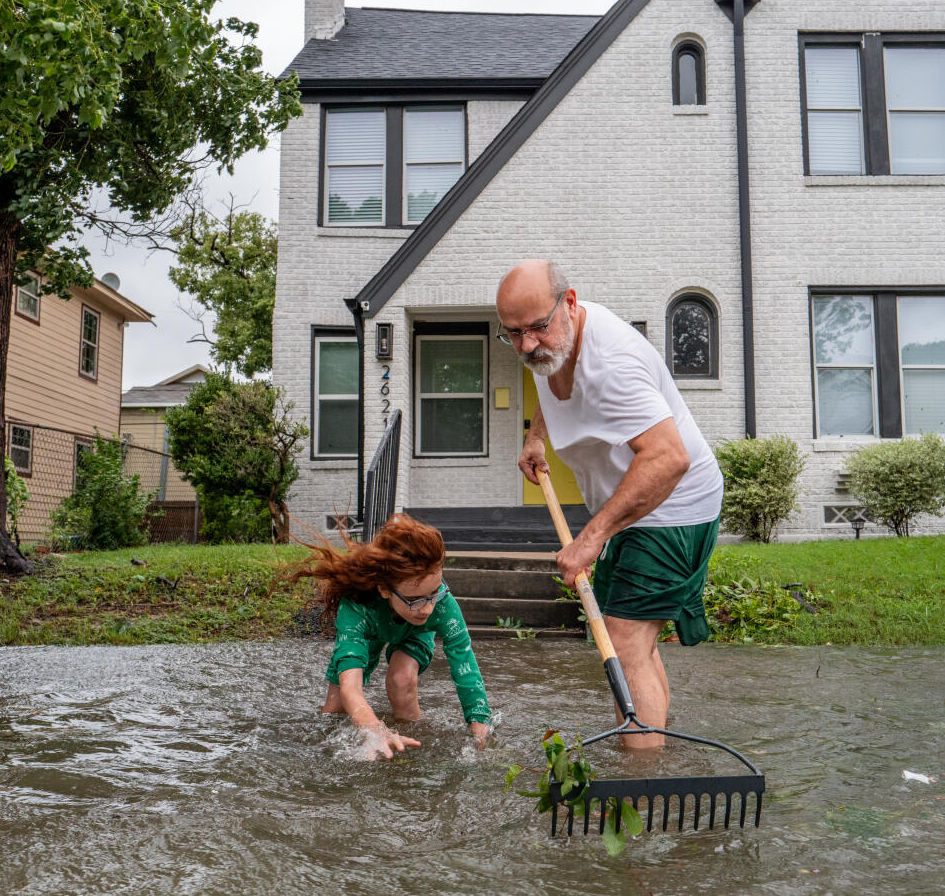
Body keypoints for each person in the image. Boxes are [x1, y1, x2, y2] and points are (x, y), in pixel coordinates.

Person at [496, 259, 723, 750]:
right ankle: (653, 755)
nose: (527, 344)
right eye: (512, 333)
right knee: (636, 645)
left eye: (536, 327)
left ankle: (640, 785)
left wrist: (590, 538)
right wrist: (538, 437)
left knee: (621, 643)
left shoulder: (613, 362)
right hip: (631, 508)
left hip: (673, 506)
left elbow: (668, 458)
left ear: (570, 303)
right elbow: (547, 379)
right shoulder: (549, 344)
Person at [294, 513, 492, 759]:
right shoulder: (357, 605)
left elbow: (467, 672)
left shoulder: (441, 605)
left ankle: (409, 752)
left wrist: (480, 733)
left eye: (433, 592)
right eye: (414, 599)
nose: (427, 608)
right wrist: (374, 729)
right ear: (384, 589)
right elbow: (351, 687)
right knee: (334, 709)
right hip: (371, 629)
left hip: (414, 633)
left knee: (401, 680)